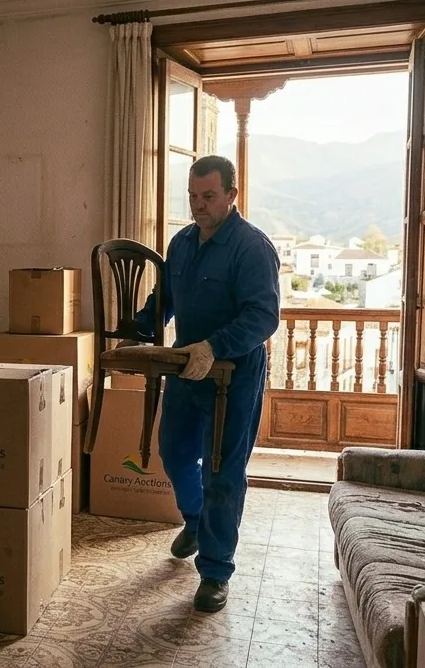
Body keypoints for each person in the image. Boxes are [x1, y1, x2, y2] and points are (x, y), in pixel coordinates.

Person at [134, 155, 280, 612]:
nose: (199, 205)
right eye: (193, 197)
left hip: (233, 377)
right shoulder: (181, 244)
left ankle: (216, 571)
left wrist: (214, 345)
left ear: (232, 195)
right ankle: (196, 521)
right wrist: (137, 327)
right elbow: (166, 301)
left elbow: (263, 315)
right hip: (185, 371)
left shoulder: (251, 247)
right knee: (174, 454)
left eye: (209, 196)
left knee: (223, 472)